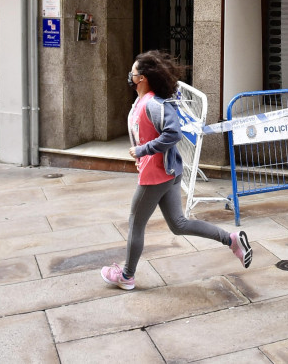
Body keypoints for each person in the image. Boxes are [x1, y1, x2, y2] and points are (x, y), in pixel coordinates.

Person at [101, 50, 252, 290]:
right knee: (178, 223)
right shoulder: (143, 101)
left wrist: (144, 150)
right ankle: (231, 240)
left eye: (133, 72)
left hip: (156, 175)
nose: (130, 75)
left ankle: (127, 276)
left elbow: (173, 133)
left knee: (135, 223)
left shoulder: (154, 104)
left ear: (143, 78)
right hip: (167, 171)